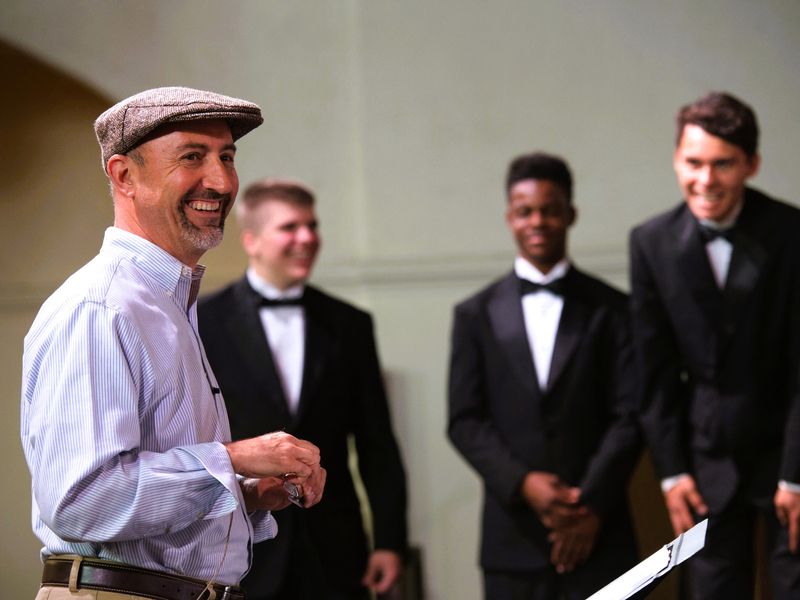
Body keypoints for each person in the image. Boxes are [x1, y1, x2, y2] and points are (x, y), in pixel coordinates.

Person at [21, 87, 327, 600]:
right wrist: (231, 461)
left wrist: (246, 493)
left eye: (227, 157)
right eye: (192, 157)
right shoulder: (101, 307)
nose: (222, 180)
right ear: (124, 175)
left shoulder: (162, 301)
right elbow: (81, 500)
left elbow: (137, 490)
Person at [198, 178, 408, 600]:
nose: (308, 238)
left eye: (312, 226)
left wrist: (389, 539)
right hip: (240, 544)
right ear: (252, 240)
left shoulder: (350, 324)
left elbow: (376, 440)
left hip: (334, 544)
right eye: (290, 227)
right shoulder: (203, 320)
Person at [447, 152, 641, 599]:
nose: (538, 221)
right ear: (509, 217)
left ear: (570, 214)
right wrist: (524, 483)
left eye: (550, 210)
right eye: (525, 211)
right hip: (512, 539)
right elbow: (464, 420)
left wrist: (590, 504)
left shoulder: (614, 309)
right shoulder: (474, 315)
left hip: (601, 531)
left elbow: (630, 414)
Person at [630, 91, 800, 598]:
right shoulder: (650, 241)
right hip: (705, 460)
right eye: (693, 162)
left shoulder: (793, 232)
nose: (705, 180)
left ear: (751, 164)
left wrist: (796, 476)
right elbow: (653, 370)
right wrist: (672, 471)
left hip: (787, 450)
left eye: (723, 164)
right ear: (677, 161)